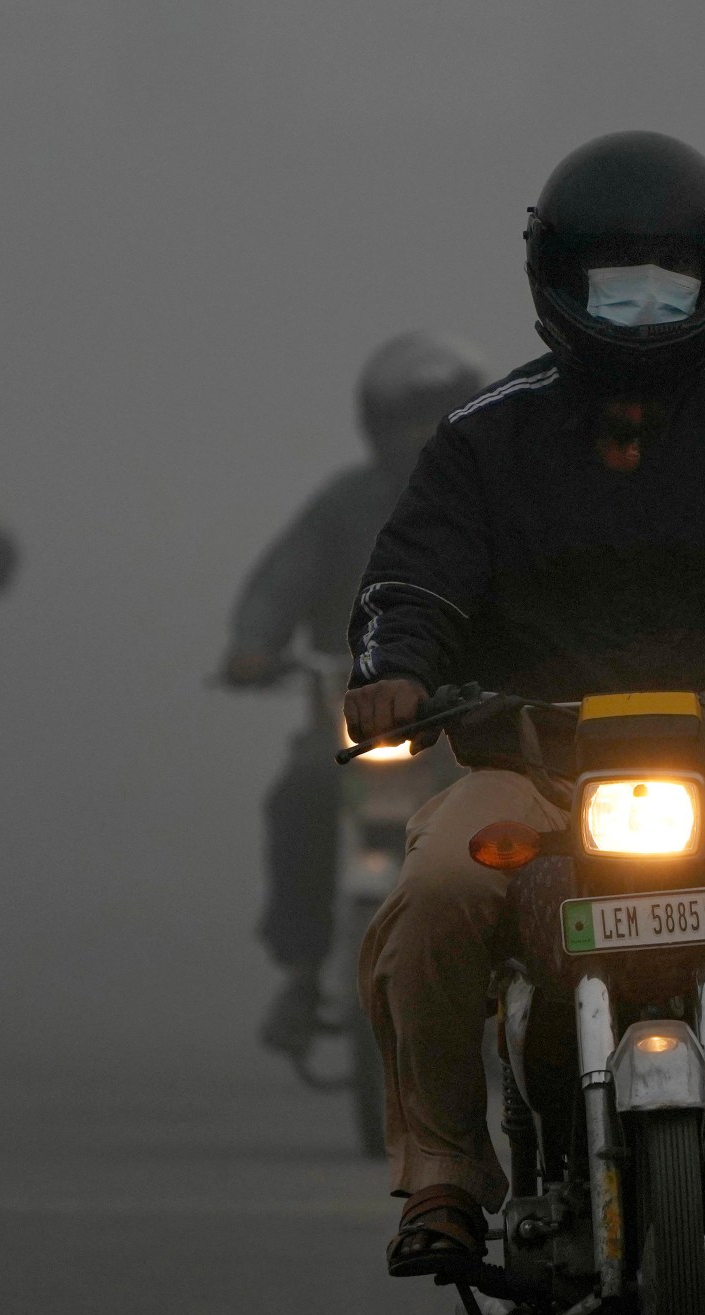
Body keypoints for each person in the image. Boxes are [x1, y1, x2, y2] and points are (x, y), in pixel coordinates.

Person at [341, 131, 705, 1295]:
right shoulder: (482, 437)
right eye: (617, 282)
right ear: (556, 281)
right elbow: (413, 579)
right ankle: (445, 1173)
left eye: (671, 282)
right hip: (534, 756)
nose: (645, 310)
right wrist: (395, 667)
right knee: (439, 892)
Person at [218, 332, 489, 1056]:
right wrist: (252, 646)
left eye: (439, 417)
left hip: (478, 718)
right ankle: (305, 970)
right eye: (409, 420)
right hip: (357, 717)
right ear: (376, 423)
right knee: (303, 793)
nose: (422, 437)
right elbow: (279, 583)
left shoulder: (506, 501)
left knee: (543, 804)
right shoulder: (342, 505)